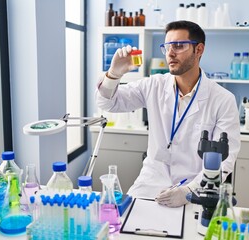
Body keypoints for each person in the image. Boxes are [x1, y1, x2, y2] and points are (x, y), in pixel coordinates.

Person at [95, 20, 240, 207]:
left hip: (194, 190)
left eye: (179, 46)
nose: (170, 53)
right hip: (149, 185)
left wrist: (189, 190)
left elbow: (224, 159)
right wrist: (114, 74)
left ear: (199, 50)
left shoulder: (222, 99)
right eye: (167, 46)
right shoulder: (153, 85)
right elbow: (108, 103)